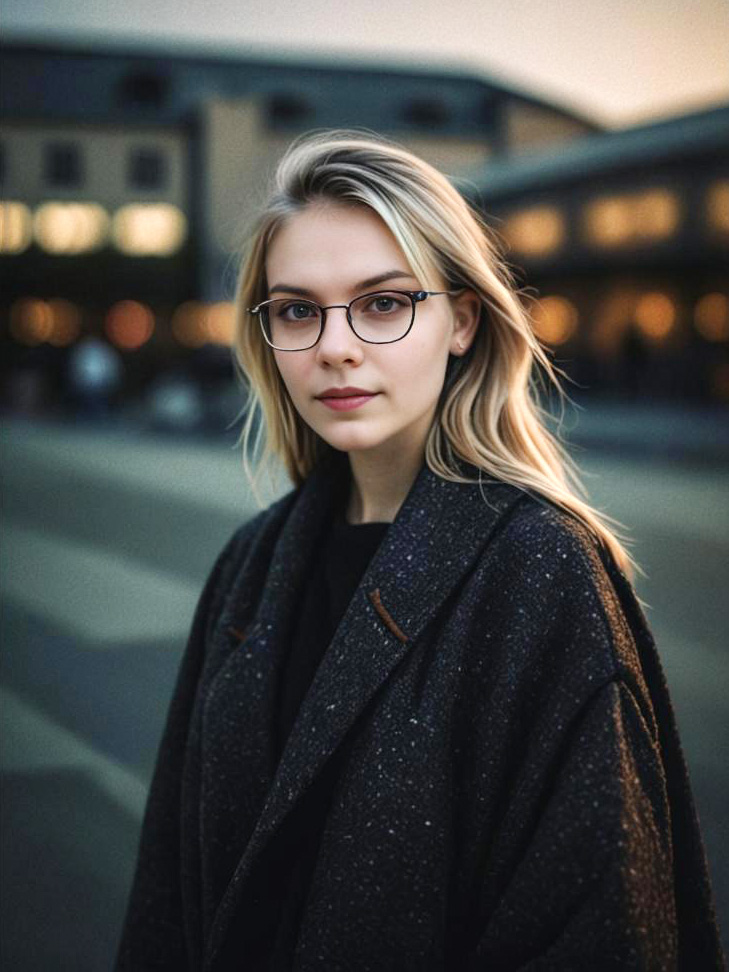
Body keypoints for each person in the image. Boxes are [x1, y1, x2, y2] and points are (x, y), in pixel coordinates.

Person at [115, 130, 726, 971]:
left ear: (462, 321)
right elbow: (167, 897)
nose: (335, 345)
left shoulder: (540, 571)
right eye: (297, 309)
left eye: (383, 302)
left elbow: (599, 926)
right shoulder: (248, 568)